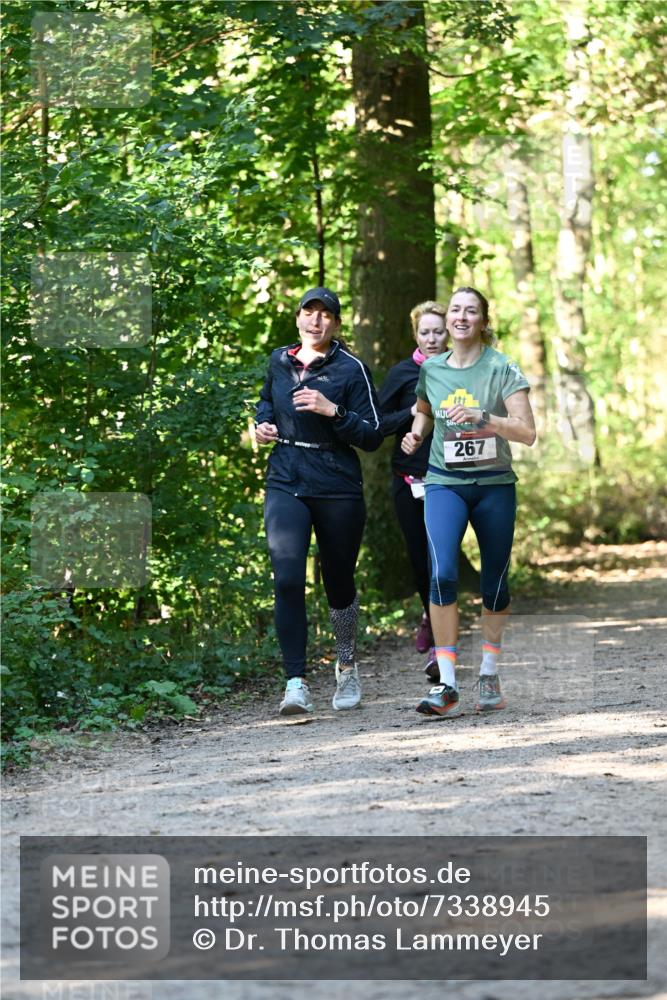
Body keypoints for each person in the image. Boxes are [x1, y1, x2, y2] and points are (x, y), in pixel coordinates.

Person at [401, 286, 536, 717]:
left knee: (494, 583)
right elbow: (424, 409)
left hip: (494, 485)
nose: (461, 316)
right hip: (444, 483)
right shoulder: (432, 369)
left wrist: (484, 418)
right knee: (441, 575)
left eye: (471, 310)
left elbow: (527, 432)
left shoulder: (501, 368)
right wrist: (416, 434)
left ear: (483, 320)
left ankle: (489, 673)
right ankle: (447, 684)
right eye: (456, 309)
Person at [255, 286, 383, 716]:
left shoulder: (352, 368)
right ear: (297, 318)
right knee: (287, 577)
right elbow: (265, 403)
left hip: (336, 483)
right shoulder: (279, 360)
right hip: (286, 477)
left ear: (336, 324)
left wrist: (334, 411)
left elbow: (372, 435)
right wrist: (262, 425)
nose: (316, 320)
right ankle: (295, 682)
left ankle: (346, 665)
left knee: (339, 580)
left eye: (325, 315)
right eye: (309, 312)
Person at [378, 301, 449, 671]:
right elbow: (375, 422)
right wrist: (410, 413)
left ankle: (440, 638)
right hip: (409, 480)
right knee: (421, 562)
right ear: (415, 335)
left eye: (438, 331)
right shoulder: (402, 374)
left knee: (441, 562)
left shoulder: (461, 370)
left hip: (450, 481)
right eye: (425, 332)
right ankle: (432, 622)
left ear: (448, 333)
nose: (432, 338)